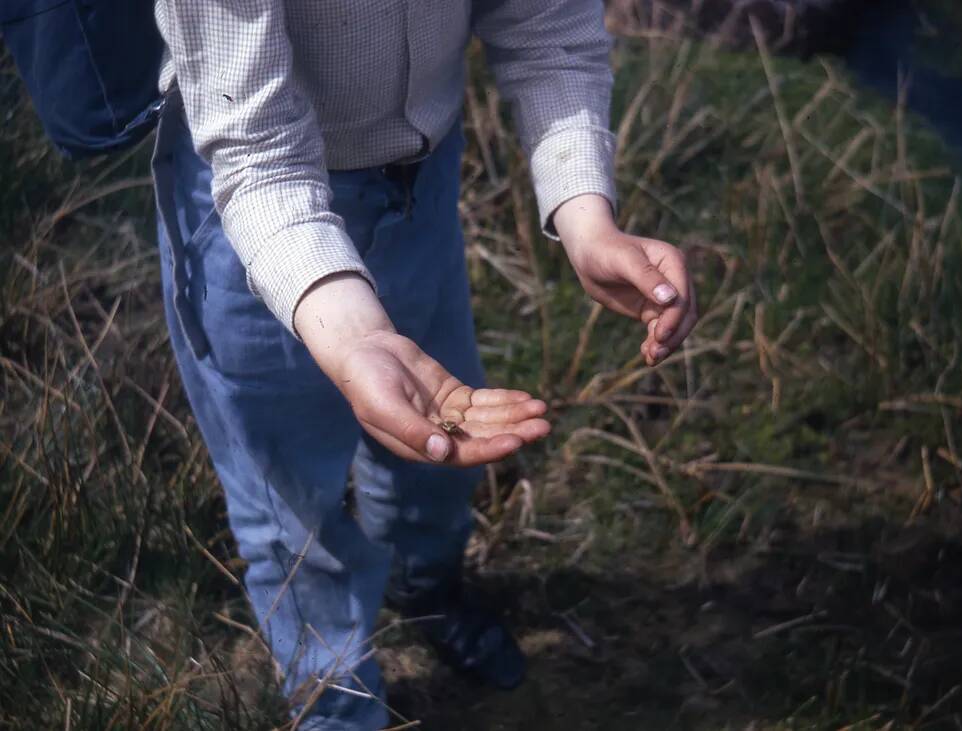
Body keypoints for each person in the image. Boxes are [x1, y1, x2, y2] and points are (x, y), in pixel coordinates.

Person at [151, 1, 697, 727]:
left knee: (438, 449)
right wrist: (355, 337)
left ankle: (425, 587)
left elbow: (546, 23)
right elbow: (257, 152)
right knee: (293, 515)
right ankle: (337, 702)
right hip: (248, 212)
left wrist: (584, 211)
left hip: (422, 183)